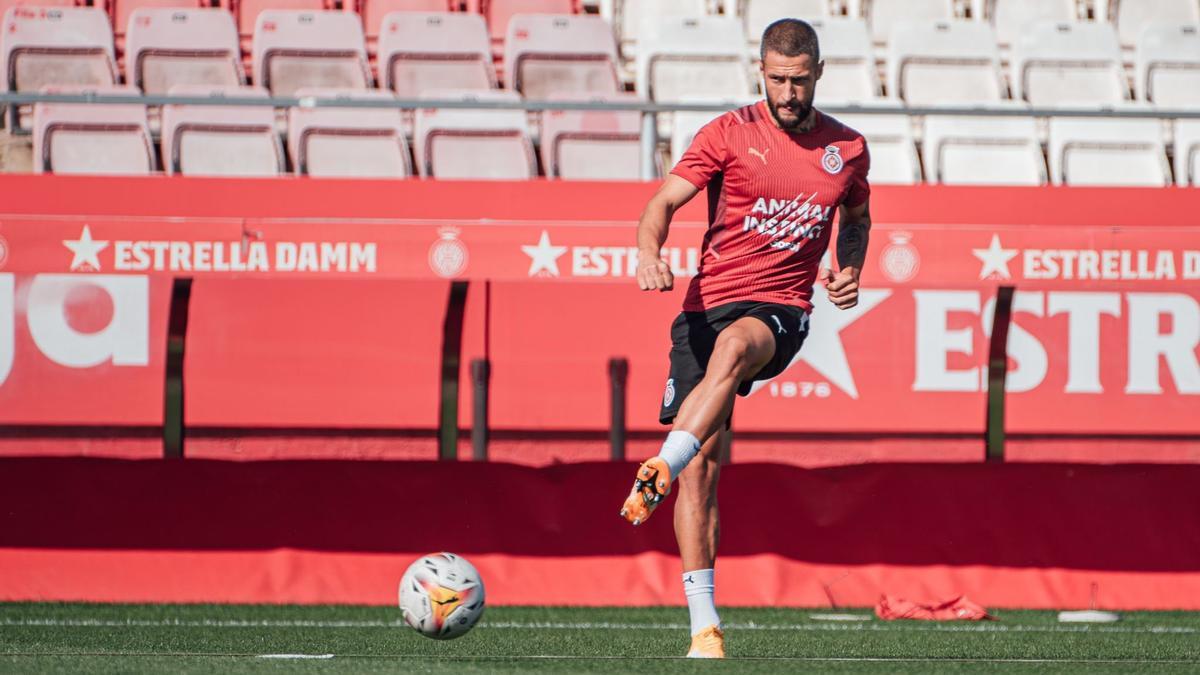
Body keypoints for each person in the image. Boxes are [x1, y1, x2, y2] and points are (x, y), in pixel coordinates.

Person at [617, 18, 872, 659]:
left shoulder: (848, 148)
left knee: (735, 351)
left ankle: (658, 467)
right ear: (761, 72)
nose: (789, 92)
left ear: (819, 73)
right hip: (705, 305)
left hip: (779, 309)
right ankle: (705, 627)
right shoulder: (728, 134)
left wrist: (851, 271)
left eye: (800, 80)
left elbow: (858, 217)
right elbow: (662, 203)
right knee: (701, 472)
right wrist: (649, 254)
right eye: (778, 80)